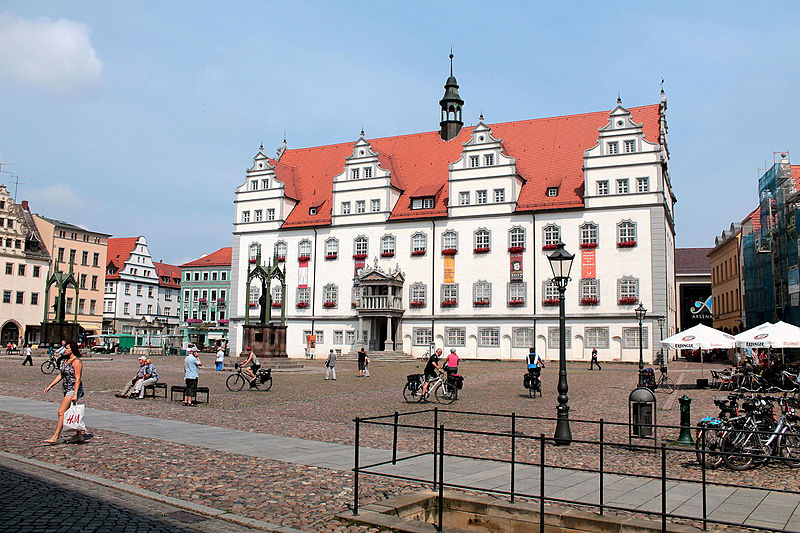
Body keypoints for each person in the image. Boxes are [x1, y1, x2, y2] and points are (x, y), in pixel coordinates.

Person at [43, 342, 84, 444]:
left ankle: (55, 437)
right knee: (72, 411)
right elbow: (61, 375)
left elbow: (78, 378)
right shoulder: (66, 360)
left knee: (61, 412)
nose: (64, 350)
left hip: (74, 389)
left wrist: (75, 394)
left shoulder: (76, 362)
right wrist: (50, 385)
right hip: (66, 388)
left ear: (72, 349)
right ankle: (79, 436)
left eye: (66, 348)